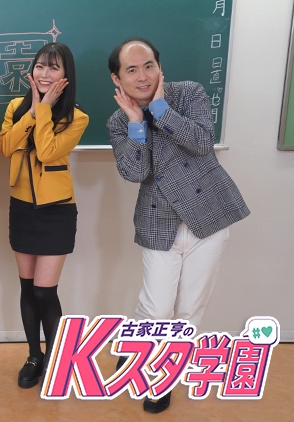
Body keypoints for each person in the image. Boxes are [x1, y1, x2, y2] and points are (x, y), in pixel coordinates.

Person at [107, 38, 250, 413]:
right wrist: (137, 123)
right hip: (159, 219)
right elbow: (135, 171)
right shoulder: (118, 122)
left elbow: (203, 142)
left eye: (149, 65)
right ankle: (136, 344)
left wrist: (159, 108)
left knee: (189, 309)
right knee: (157, 308)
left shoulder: (188, 94)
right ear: (117, 79)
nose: (143, 76)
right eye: (132, 70)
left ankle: (162, 376)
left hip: (207, 215)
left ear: (159, 66)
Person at [0, 42, 89, 389]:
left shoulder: (77, 116)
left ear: (66, 75)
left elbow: (48, 151)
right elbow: (7, 148)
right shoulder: (15, 108)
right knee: (27, 287)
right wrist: (34, 111)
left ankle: (56, 357)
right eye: (40, 66)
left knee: (44, 291)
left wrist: (45, 109)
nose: (45, 73)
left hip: (56, 210)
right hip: (22, 207)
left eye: (53, 67)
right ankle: (34, 356)